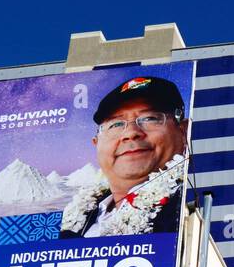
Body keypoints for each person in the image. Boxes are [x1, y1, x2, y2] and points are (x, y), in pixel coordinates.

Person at [60, 76, 189, 238]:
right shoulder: (69, 219)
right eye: (116, 124)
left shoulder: (186, 207)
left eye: (149, 118)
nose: (130, 133)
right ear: (96, 143)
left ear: (184, 131)